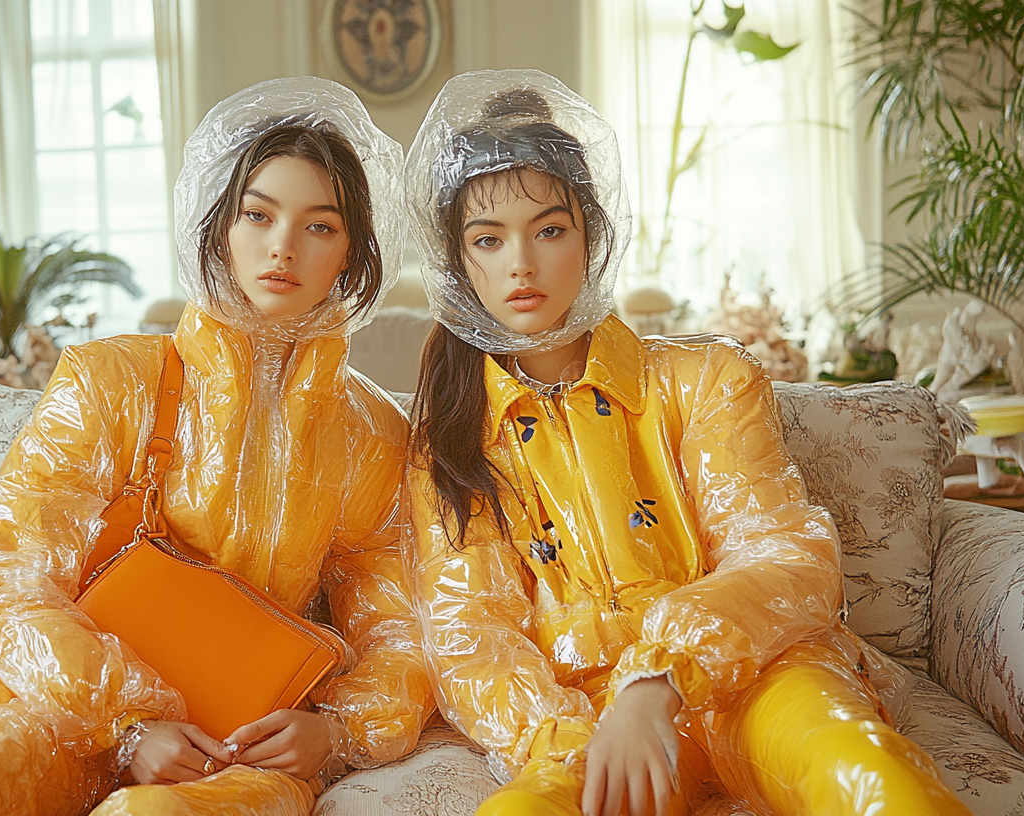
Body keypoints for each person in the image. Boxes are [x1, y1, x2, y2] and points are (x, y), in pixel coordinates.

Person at [0, 77, 432, 816]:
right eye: (257, 214)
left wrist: (336, 731)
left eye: (320, 226)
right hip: (54, 702)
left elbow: (402, 622)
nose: (282, 247)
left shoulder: (370, 431)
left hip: (238, 740)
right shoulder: (111, 379)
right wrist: (128, 721)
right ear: (217, 228)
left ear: (353, 254)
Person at [403, 69, 974, 816]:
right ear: (459, 264)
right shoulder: (447, 439)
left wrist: (657, 676)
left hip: (760, 675)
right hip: (588, 721)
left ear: (593, 235)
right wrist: (561, 737)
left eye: (549, 229)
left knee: (871, 781)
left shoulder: (707, 376)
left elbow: (784, 554)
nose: (521, 263)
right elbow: (469, 631)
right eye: (488, 238)